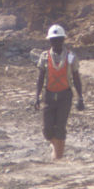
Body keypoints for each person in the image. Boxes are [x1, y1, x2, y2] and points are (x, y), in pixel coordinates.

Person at [34, 24, 84, 160]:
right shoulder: (44, 57)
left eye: (59, 39)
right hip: (49, 96)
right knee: (47, 129)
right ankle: (55, 147)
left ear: (63, 40)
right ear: (50, 41)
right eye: (53, 40)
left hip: (65, 96)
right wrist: (37, 96)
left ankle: (58, 157)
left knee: (60, 128)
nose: (56, 42)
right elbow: (40, 78)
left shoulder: (71, 57)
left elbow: (76, 78)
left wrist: (80, 98)